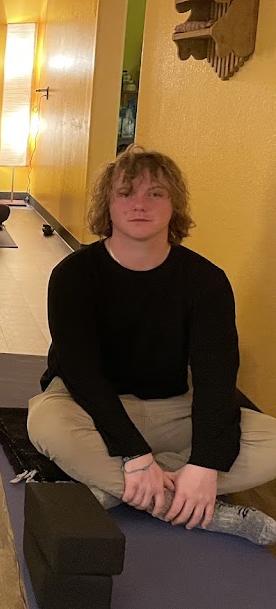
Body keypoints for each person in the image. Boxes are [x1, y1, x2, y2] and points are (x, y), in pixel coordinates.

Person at [27, 147, 276, 546]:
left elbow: (216, 376)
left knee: (273, 443)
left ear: (174, 205)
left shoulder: (206, 280)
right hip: (86, 407)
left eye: (155, 194)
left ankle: (124, 487)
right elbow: (82, 374)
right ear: (107, 206)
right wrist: (135, 454)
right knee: (45, 424)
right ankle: (199, 508)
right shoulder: (73, 275)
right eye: (126, 193)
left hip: (173, 410)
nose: (139, 204)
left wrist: (206, 463)